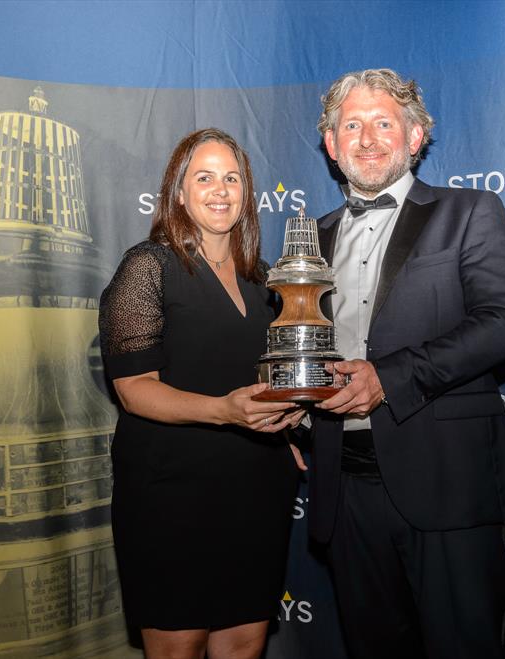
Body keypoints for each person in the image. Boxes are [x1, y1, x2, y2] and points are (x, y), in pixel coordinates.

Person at [307, 69, 505, 658]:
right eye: (351, 125)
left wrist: (390, 378)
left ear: (416, 136)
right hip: (344, 491)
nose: (368, 137)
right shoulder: (311, 238)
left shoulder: (470, 212)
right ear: (331, 145)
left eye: (385, 122)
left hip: (448, 485)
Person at [99, 128, 305, 659]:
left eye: (232, 178)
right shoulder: (149, 266)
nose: (221, 190)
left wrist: (289, 427)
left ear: (246, 193)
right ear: (179, 192)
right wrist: (223, 411)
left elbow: (267, 380)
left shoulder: (263, 281)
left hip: (256, 486)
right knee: (179, 644)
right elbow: (134, 390)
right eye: (205, 177)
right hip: (171, 492)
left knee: (243, 643)